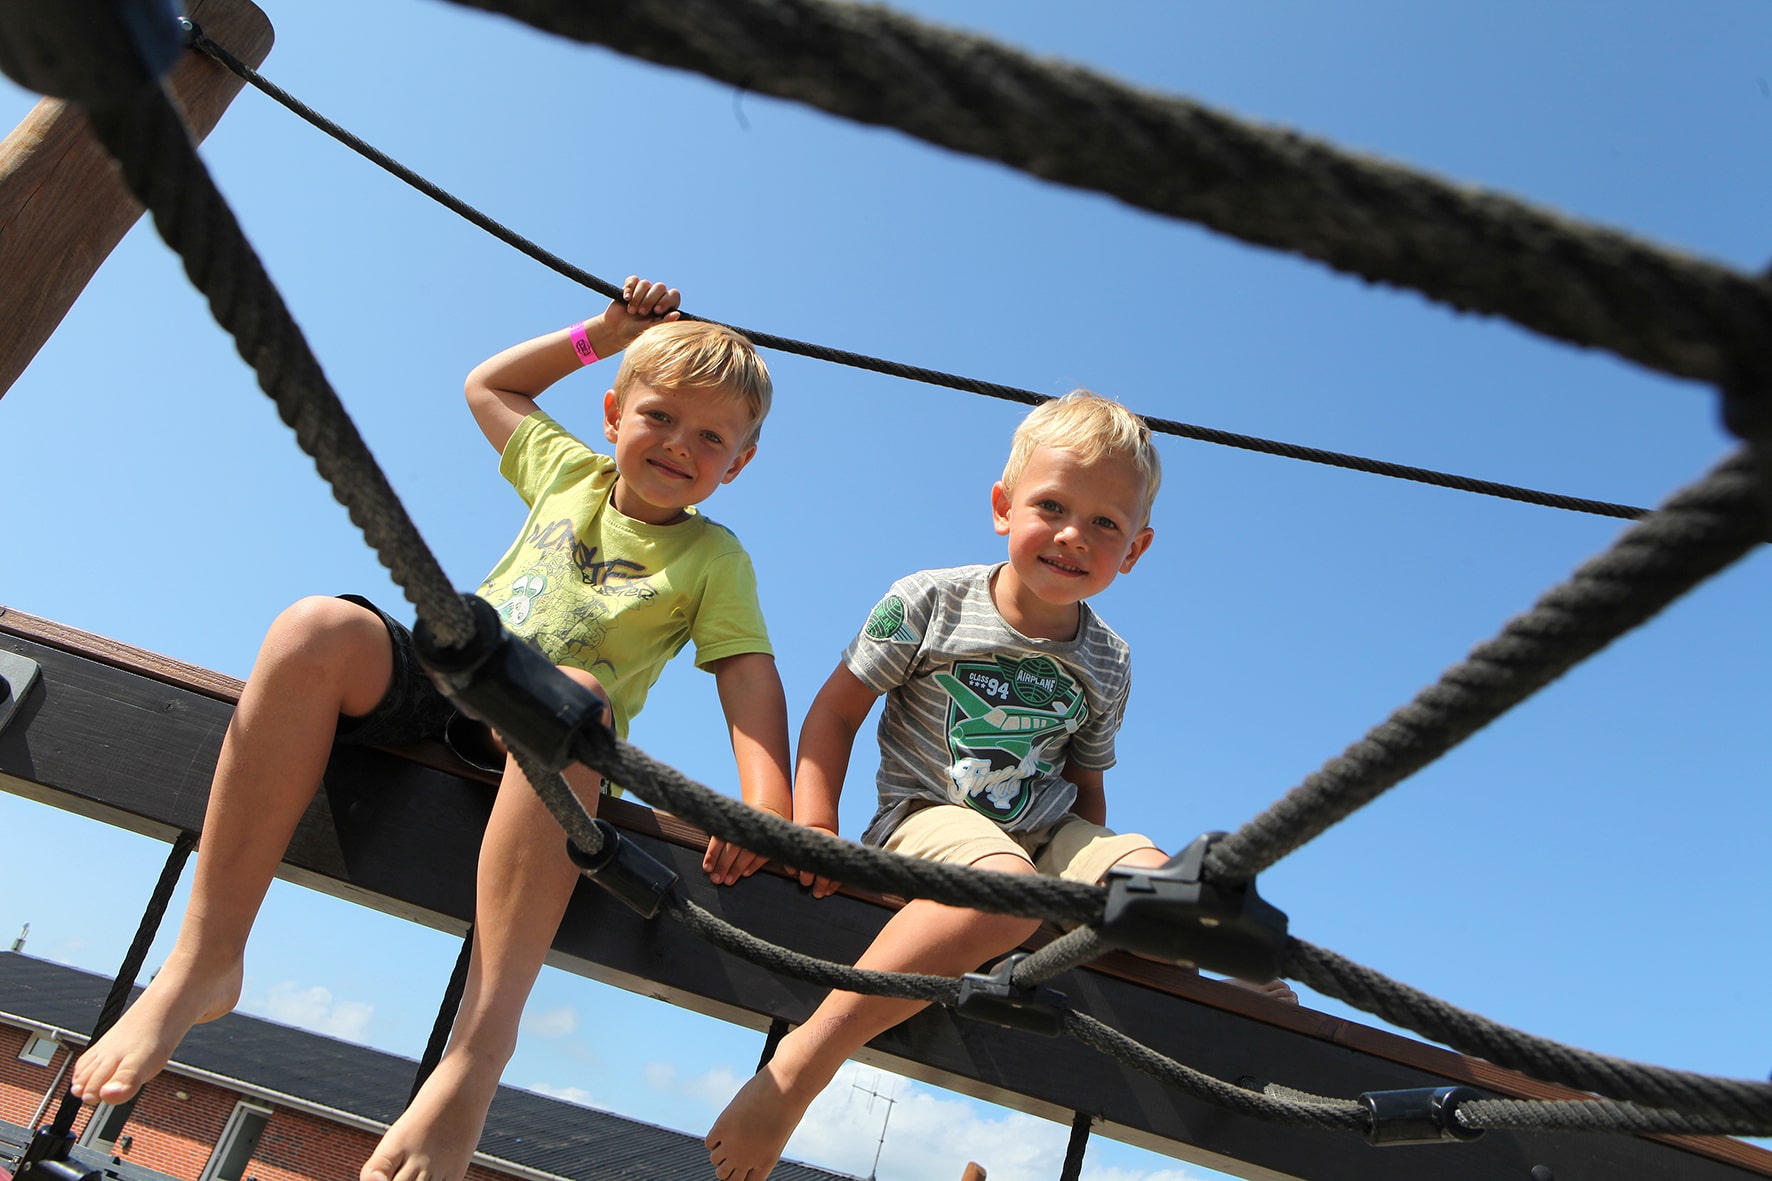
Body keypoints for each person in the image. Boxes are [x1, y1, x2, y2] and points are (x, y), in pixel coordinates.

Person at [68, 278, 794, 1181]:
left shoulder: (713, 556)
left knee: (571, 692)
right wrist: (603, 334)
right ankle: (203, 958)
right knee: (313, 627)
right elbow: (490, 386)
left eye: (712, 437)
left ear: (739, 465)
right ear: (614, 415)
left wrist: (764, 805)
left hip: (543, 744)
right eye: (660, 416)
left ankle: (475, 1057)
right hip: (451, 683)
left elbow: (747, 674)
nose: (680, 444)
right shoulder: (569, 473)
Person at [706, 390, 1296, 1181]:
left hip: (1045, 837)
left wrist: (1096, 899)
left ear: (1136, 549)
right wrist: (814, 824)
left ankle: (1237, 981)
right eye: (1051, 506)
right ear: (1002, 507)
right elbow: (836, 712)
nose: (1073, 534)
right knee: (1007, 892)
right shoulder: (929, 600)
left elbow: (1086, 789)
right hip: (928, 816)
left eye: (1105, 523)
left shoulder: (1110, 658)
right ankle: (802, 1066)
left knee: (1168, 888)